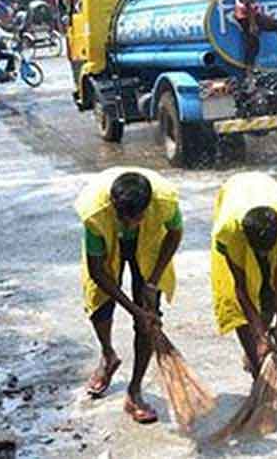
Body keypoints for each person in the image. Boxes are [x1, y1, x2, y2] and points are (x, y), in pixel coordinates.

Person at [75, 168, 183, 423]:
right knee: (99, 306)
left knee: (148, 323)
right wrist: (135, 310)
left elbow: (175, 234)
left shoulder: (165, 202)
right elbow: (97, 271)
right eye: (126, 218)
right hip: (109, 246)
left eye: (138, 217)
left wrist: (153, 281)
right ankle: (108, 355)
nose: (131, 224)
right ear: (114, 206)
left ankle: (134, 391)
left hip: (146, 246)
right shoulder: (95, 214)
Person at [211, 172, 277, 379]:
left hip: (264, 195)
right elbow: (240, 287)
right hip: (234, 193)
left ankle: (259, 347)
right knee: (231, 299)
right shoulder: (228, 230)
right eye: (259, 251)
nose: (263, 255)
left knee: (268, 291)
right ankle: (255, 361)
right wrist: (259, 334)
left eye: (266, 251)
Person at [234, 0, 277, 89]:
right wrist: (252, 24)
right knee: (253, 45)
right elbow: (247, 3)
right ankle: (249, 77)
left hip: (253, 14)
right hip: (246, 16)